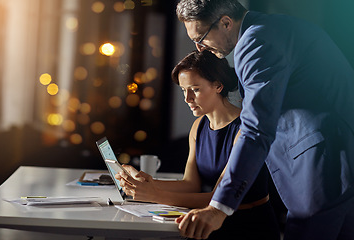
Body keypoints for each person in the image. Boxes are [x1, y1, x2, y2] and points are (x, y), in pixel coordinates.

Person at [175, 0, 354, 239]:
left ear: (226, 22)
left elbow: (256, 129)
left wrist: (218, 208)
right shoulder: (274, 27)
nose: (199, 48)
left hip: (323, 169)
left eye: (202, 37)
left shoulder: (255, 42)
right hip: (340, 161)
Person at [115, 50, 280, 239]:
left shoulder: (245, 129)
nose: (187, 99)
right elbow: (190, 184)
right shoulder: (199, 126)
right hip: (207, 222)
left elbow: (217, 199)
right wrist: (145, 183)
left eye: (195, 89)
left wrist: (154, 194)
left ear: (218, 86)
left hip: (247, 226)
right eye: (184, 90)